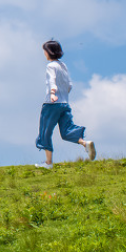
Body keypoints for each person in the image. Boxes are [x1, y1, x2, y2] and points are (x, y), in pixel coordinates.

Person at [36, 39, 96, 169]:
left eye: (44, 51)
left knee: (45, 132)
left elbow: (51, 80)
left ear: (48, 51)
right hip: (65, 103)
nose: (44, 53)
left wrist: (53, 93)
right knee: (67, 130)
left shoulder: (51, 66)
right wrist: (63, 95)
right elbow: (69, 85)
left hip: (52, 104)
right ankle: (85, 144)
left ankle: (48, 163)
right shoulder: (63, 65)